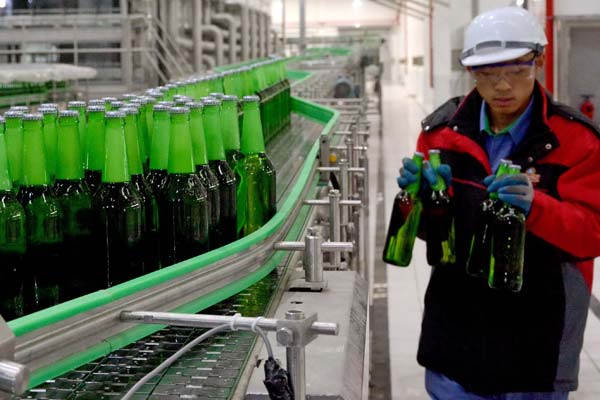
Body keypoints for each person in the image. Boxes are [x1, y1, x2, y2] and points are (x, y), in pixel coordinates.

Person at [395, 6, 600, 399]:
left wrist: (538, 209)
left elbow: (593, 233)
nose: (502, 86)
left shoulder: (577, 141)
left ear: (537, 61)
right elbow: (436, 239)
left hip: (538, 328)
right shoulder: (441, 135)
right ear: (471, 71)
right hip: (458, 321)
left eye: (516, 71)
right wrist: (418, 201)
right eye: (488, 74)